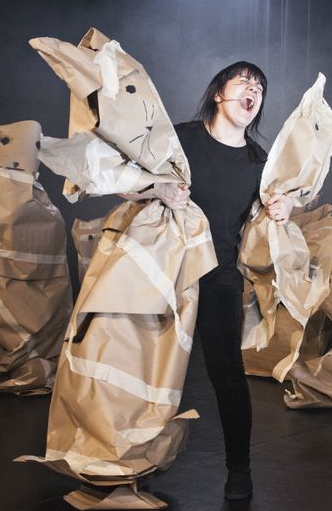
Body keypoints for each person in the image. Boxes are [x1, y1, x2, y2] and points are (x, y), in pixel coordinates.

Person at [121, 62, 292, 500]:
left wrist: (285, 209)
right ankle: (126, 464)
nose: (253, 90)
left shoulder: (259, 162)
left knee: (227, 373)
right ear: (219, 93)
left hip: (219, 277)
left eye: (260, 87)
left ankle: (240, 469)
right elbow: (124, 184)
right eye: (244, 82)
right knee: (142, 368)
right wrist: (158, 190)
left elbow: (285, 201)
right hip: (166, 270)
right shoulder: (181, 139)